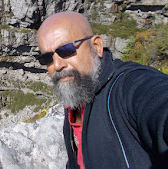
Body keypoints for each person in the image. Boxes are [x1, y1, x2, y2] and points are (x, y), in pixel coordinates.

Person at [36, 11, 168, 169]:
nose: (57, 65)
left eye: (66, 50)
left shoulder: (127, 86)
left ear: (97, 46)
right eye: (47, 58)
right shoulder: (76, 93)